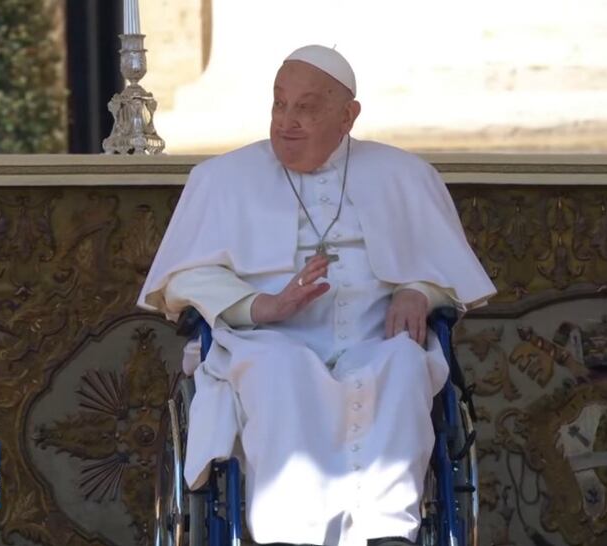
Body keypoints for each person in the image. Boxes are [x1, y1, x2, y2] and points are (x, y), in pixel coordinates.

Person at [138, 44, 496, 546]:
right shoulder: (221, 179)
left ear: (348, 115)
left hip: (376, 338)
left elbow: (448, 271)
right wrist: (260, 306)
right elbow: (180, 278)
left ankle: (388, 533)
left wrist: (418, 291)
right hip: (267, 340)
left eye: (306, 107)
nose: (287, 121)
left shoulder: (405, 175)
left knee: (403, 366)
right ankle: (289, 534)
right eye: (279, 104)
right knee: (279, 371)